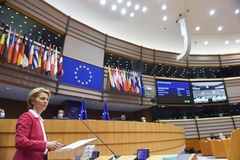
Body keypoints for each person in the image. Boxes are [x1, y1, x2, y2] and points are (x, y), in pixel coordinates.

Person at [13, 87, 63, 160]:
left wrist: (51, 145)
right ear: (32, 101)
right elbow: (20, 142)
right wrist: (46, 144)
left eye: (47, 99)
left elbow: (38, 143)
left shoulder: (39, 119)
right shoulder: (27, 116)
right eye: (42, 98)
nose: (45, 101)